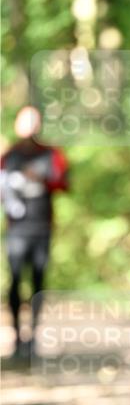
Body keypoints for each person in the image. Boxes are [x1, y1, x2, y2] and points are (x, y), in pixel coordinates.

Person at [1, 106, 68, 358]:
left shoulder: (52, 154)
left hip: (42, 226)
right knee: (15, 281)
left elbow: (64, 182)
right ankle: (17, 338)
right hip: (16, 228)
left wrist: (42, 180)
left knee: (39, 282)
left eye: (34, 121)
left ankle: (35, 338)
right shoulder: (9, 155)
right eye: (25, 121)